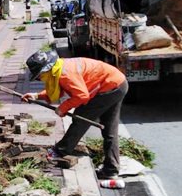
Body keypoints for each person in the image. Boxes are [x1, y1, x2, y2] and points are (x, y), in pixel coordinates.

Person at [22, 50, 128, 179]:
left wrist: (63, 108)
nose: (40, 79)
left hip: (110, 87)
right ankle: (111, 169)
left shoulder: (65, 74)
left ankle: (61, 150)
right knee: (109, 129)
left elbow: (82, 96)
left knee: (81, 117)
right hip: (117, 83)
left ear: (46, 69)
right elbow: (59, 90)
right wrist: (37, 96)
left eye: (39, 76)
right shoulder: (58, 68)